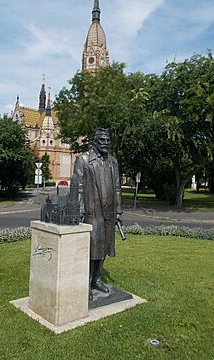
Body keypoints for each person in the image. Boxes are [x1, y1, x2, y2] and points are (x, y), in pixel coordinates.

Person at [73, 128, 122, 299]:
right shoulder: (84, 159)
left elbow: (117, 188)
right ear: (95, 142)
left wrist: (118, 211)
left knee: (104, 247)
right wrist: (79, 210)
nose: (106, 143)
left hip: (109, 211)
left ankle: (97, 279)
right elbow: (78, 187)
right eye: (102, 140)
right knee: (91, 248)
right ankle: (85, 283)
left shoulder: (113, 162)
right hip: (91, 211)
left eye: (108, 140)